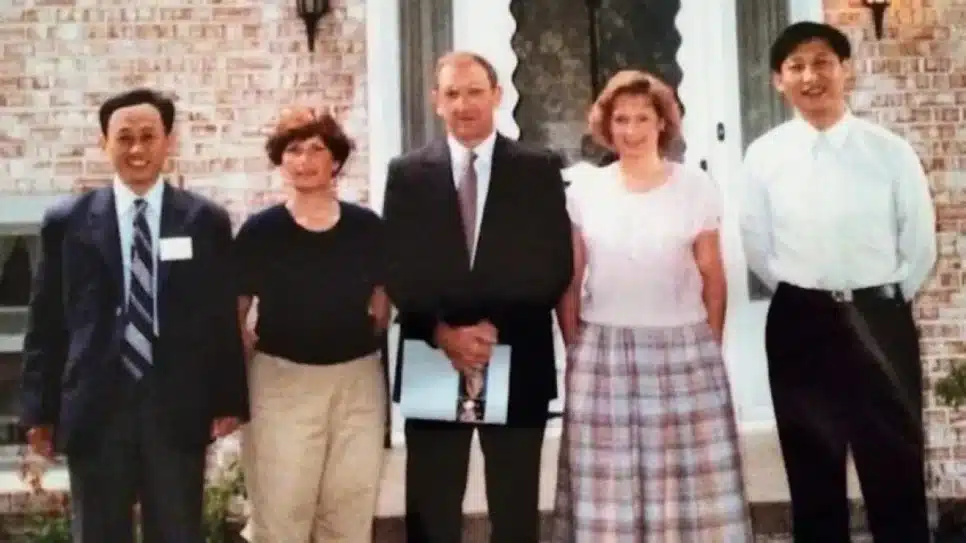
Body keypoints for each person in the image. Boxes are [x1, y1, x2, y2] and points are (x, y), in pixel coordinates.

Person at [19, 88, 249, 542]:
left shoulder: (205, 221)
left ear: (169, 142)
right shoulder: (68, 222)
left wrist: (228, 399)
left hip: (177, 406)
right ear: (105, 143)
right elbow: (45, 322)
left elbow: (220, 317)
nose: (137, 149)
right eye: (124, 138)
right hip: (97, 408)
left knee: (177, 530)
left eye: (149, 136)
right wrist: (38, 411)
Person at [740, 22, 937, 542]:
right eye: (796, 67)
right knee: (812, 471)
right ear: (778, 81)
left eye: (823, 62)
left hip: (879, 318)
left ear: (846, 70)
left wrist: (877, 302)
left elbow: (918, 245)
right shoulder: (764, 157)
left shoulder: (890, 152)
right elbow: (758, 248)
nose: (811, 76)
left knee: (893, 465)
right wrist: (813, 298)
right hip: (801, 322)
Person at [552, 70, 751, 541]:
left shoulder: (695, 187)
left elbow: (713, 276)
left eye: (643, 118)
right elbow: (571, 276)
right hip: (605, 350)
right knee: (611, 481)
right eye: (621, 119)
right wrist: (575, 347)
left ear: (663, 123)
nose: (632, 130)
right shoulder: (584, 190)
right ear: (606, 125)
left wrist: (708, 346)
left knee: (685, 478)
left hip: (682, 347)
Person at [383, 51, 573, 543]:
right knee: (431, 508)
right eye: (452, 94)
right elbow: (396, 267)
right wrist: (443, 331)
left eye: (474, 92)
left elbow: (553, 265)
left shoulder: (538, 168)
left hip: (515, 348)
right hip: (433, 350)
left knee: (514, 510)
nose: (463, 104)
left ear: (497, 95)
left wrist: (490, 333)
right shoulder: (407, 173)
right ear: (436, 102)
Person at [234, 106, 390, 543]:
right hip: (281, 385)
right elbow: (237, 314)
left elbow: (381, 309)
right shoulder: (260, 232)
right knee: (281, 514)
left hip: (356, 384)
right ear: (281, 161)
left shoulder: (367, 228)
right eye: (293, 150)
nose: (304, 160)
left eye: (316, 149)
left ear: (335, 161)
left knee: (348, 510)